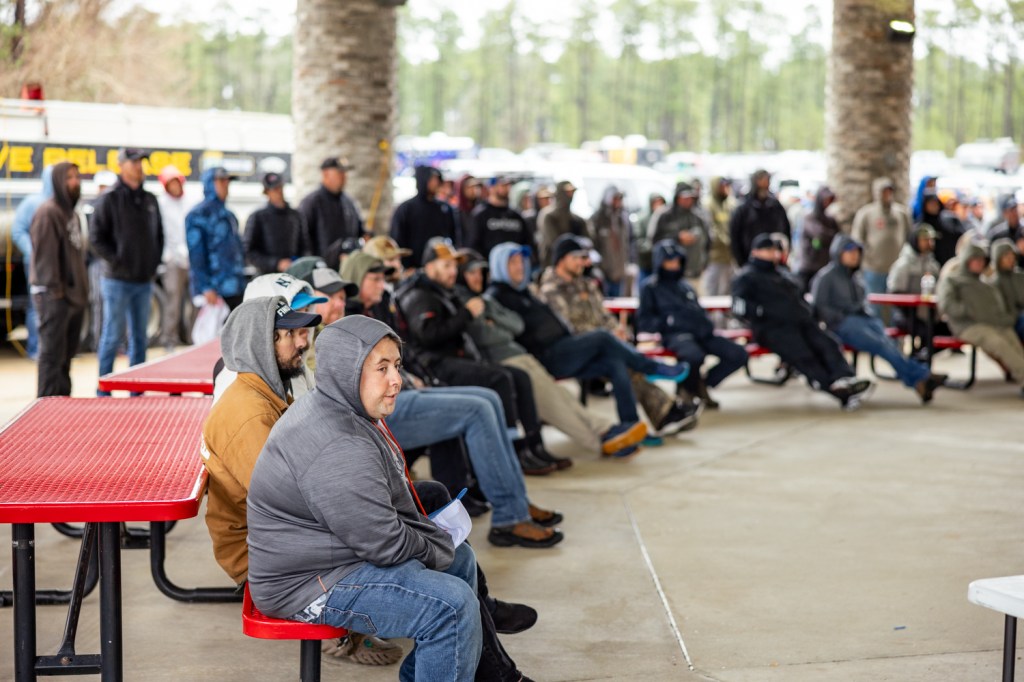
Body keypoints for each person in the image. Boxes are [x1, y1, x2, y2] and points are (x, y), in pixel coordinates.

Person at [247, 315, 548, 681]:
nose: (396, 379)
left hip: (332, 554)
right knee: (450, 607)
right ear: (346, 370)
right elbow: (384, 545)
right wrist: (436, 543)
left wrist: (438, 545)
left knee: (461, 560)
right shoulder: (338, 445)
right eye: (382, 368)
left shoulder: (340, 406)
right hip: (306, 585)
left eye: (397, 366)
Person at [345, 247, 565, 546]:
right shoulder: (352, 319)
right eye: (374, 278)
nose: (381, 284)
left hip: (407, 389)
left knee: (489, 398)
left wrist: (413, 377)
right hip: (379, 410)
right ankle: (510, 517)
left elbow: (403, 355)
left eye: (383, 277)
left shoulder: (381, 307)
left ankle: (517, 503)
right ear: (357, 279)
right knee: (479, 407)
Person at [487, 242, 694, 450]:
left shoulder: (526, 291)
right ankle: (651, 367)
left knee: (616, 363)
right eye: (512, 263)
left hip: (569, 348)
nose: (519, 267)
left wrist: (616, 331)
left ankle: (630, 428)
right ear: (499, 266)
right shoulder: (499, 296)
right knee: (602, 337)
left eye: (520, 262)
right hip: (548, 355)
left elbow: (599, 316)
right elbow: (517, 328)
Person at [395, 237, 569, 475]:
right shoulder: (419, 295)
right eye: (446, 265)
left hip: (455, 359)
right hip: (436, 366)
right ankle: (511, 450)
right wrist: (466, 314)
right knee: (500, 379)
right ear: (430, 266)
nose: (453, 271)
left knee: (520, 377)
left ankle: (532, 445)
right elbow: (429, 336)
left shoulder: (442, 291)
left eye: (454, 266)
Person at [457, 252, 648, 459]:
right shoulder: (480, 297)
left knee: (562, 395)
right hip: (507, 359)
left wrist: (495, 322)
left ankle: (606, 429)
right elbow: (485, 335)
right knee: (554, 403)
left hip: (522, 355)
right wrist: (494, 325)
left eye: (480, 272)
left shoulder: (487, 299)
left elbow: (516, 325)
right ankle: (600, 439)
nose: (477, 277)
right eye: (471, 273)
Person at [538, 235, 701, 433]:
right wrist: (609, 336)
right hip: (571, 352)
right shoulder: (550, 290)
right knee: (605, 340)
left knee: (618, 364)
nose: (584, 262)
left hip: (602, 347)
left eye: (584, 257)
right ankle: (654, 374)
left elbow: (604, 315)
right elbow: (569, 329)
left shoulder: (586, 284)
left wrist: (616, 330)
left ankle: (634, 427)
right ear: (561, 259)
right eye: (578, 258)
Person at [731, 234, 874, 409]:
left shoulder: (782, 274)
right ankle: (835, 389)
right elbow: (738, 307)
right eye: (768, 250)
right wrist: (761, 313)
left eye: (774, 250)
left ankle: (845, 379)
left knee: (828, 344)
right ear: (755, 252)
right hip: (773, 328)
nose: (773, 253)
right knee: (804, 355)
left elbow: (799, 298)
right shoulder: (746, 277)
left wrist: (809, 312)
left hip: (801, 322)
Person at [811, 236, 946, 404]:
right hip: (842, 324)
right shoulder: (826, 277)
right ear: (838, 253)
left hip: (863, 320)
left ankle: (920, 380)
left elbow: (862, 302)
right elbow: (820, 308)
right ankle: (922, 376)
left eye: (857, 252)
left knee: (888, 343)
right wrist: (840, 317)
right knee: (881, 345)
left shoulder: (855, 277)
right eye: (849, 251)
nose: (854, 255)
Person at [638, 240, 748, 409]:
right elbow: (644, 321)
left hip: (702, 333)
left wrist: (706, 323)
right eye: (669, 261)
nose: (673, 265)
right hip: (676, 335)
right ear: (660, 262)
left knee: (738, 354)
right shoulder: (650, 288)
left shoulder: (685, 286)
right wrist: (669, 322)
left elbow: (698, 310)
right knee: (693, 356)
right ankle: (687, 392)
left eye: (676, 261)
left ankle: (701, 385)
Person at [90, 148, 164, 394]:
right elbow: (96, 238)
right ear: (121, 165)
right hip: (117, 281)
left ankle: (137, 389)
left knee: (140, 338)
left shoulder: (149, 200)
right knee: (112, 335)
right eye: (133, 162)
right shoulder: (109, 199)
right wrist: (116, 261)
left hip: (143, 280)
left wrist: (152, 264)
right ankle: (104, 389)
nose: (139, 167)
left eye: (141, 162)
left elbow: (159, 236)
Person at [30, 161, 87, 397]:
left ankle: (63, 405)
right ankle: (45, 406)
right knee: (52, 358)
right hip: (54, 298)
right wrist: (56, 294)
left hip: (72, 298)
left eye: (77, 177)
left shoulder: (71, 214)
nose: (75, 182)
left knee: (65, 358)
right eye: (69, 177)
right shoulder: (48, 212)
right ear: (57, 181)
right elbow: (45, 261)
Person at [937, 241, 1024, 394]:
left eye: (981, 260)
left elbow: (1000, 305)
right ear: (967, 260)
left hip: (994, 324)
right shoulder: (953, 280)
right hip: (969, 326)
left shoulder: (985, 284)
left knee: (1014, 342)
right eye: (975, 260)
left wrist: (1006, 318)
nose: (979, 263)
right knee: (999, 344)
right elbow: (946, 304)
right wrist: (969, 310)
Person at [186, 167, 247, 315]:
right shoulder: (197, 215)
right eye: (221, 181)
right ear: (209, 183)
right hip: (214, 291)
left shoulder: (230, 215)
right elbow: (196, 255)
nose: (226, 185)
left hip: (235, 288)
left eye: (227, 181)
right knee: (213, 330)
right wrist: (205, 286)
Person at [851, 177, 912, 313]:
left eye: (889, 191)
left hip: (897, 268)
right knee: (874, 306)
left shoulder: (901, 213)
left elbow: (909, 236)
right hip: (874, 268)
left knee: (895, 308)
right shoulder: (866, 213)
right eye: (884, 192)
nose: (887, 195)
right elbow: (857, 239)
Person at [13, 166, 56, 360]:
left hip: (57, 266)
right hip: (36, 265)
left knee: (56, 307)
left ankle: (52, 350)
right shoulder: (32, 203)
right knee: (37, 305)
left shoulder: (62, 203)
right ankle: (35, 349)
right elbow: (18, 230)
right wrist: (34, 253)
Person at [390, 165, 459, 269]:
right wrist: (406, 265)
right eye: (432, 180)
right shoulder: (407, 208)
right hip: (414, 267)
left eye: (437, 180)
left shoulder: (445, 208)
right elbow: (398, 238)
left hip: (441, 266)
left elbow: (454, 236)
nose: (435, 183)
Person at [298, 157, 364, 260]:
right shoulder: (311, 203)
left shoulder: (349, 202)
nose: (344, 176)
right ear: (325, 174)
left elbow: (359, 231)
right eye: (339, 172)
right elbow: (302, 240)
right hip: (322, 265)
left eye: (345, 173)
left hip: (348, 264)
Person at [157, 165, 193, 349]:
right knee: (173, 301)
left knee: (194, 302)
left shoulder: (189, 201)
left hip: (191, 259)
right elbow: (161, 232)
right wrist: (168, 255)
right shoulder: (161, 204)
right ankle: (169, 339)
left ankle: (191, 337)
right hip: (173, 260)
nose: (175, 187)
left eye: (176, 182)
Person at [244, 172, 308, 275]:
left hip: (293, 275)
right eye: (273, 189)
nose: (278, 192)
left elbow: (305, 246)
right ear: (266, 192)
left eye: (279, 188)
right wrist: (276, 263)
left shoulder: (295, 216)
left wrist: (298, 262)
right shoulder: (258, 217)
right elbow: (249, 252)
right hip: (267, 277)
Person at [81, 169, 117, 352]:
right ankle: (99, 343)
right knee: (99, 303)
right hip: (97, 262)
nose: (105, 191)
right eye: (103, 187)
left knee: (115, 305)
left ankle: (116, 344)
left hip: (114, 263)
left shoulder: (117, 207)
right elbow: (91, 239)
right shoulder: (90, 208)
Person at [648, 182, 710, 287]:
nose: (688, 200)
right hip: (669, 276)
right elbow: (654, 240)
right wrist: (677, 237)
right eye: (684, 197)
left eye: (690, 197)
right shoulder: (664, 215)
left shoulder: (699, 217)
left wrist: (704, 263)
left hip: (695, 272)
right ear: (677, 197)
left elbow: (708, 241)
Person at [728, 169, 790, 266]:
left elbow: (786, 231)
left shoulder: (776, 206)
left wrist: (784, 253)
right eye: (761, 180)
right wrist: (741, 262)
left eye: (767, 180)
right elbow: (735, 236)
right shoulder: (743, 208)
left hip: (775, 262)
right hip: (750, 261)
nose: (764, 184)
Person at [467, 176, 533, 260]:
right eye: (502, 185)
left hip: (514, 265)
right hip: (488, 265)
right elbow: (473, 246)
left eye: (508, 185)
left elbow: (527, 243)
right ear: (491, 188)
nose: (506, 189)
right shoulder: (480, 215)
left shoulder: (516, 216)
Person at [588, 185, 634, 297]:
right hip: (603, 269)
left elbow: (629, 240)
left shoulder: (623, 218)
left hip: (619, 268)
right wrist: (598, 265)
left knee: (617, 299)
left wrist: (630, 260)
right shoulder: (597, 218)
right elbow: (592, 244)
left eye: (619, 199)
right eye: (615, 199)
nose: (617, 202)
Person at [795, 186, 840, 292]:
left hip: (825, 265)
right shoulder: (809, 217)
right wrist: (829, 235)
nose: (827, 203)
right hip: (808, 266)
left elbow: (838, 238)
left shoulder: (830, 220)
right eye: (825, 200)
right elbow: (820, 234)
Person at [537, 180, 588, 267]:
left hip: (575, 266)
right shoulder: (548, 216)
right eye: (568, 192)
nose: (571, 195)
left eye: (572, 192)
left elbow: (587, 242)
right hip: (553, 265)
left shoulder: (578, 220)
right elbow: (554, 243)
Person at [702, 178, 735, 301]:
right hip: (714, 255)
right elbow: (711, 228)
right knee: (712, 287)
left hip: (730, 255)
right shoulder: (708, 204)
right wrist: (726, 241)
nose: (725, 189)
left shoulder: (730, 203)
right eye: (722, 186)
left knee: (728, 288)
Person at [916, 189, 966, 268]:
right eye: (930, 204)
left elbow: (963, 236)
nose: (933, 206)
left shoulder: (950, 219)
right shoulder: (921, 224)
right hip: (931, 264)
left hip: (951, 260)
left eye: (935, 203)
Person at [991, 239, 1024, 342]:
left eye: (1012, 256)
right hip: (1011, 322)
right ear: (998, 259)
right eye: (1006, 256)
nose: (1010, 259)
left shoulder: (1021, 276)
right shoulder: (994, 283)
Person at [987, 195, 1024, 268]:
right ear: (1005, 213)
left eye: (1015, 210)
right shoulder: (997, 234)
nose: (1014, 214)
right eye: (1011, 211)